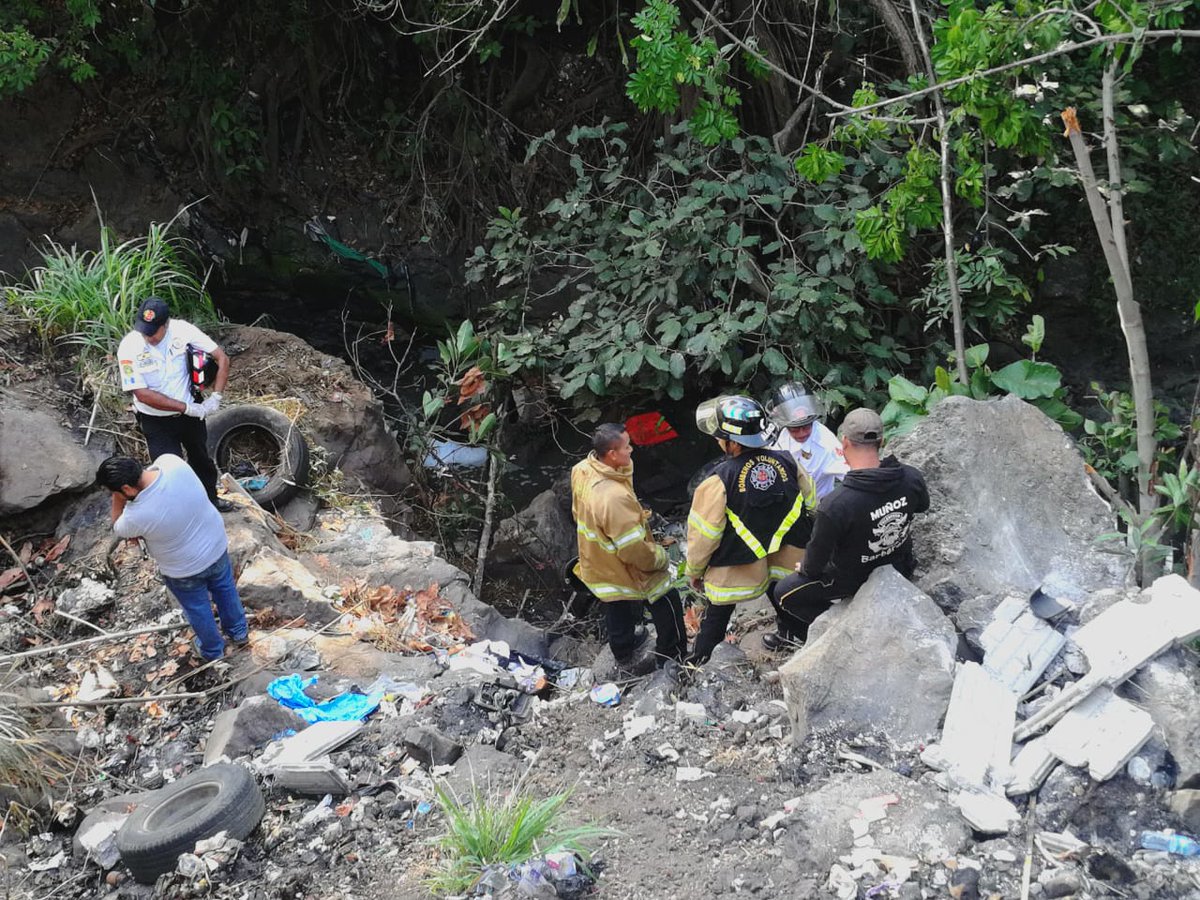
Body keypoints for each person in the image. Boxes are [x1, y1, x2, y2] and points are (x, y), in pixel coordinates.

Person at [770, 408, 929, 646]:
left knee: (783, 592)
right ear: (881, 441)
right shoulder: (911, 477)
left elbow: (813, 569)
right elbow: (921, 506)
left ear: (843, 442)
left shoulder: (836, 505)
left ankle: (840, 631)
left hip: (851, 578)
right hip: (898, 564)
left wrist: (804, 567)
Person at [685, 396, 815, 663]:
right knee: (785, 598)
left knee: (717, 614)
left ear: (732, 442)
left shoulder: (718, 481)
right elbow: (812, 504)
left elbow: (703, 537)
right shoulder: (788, 462)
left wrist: (695, 571)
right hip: (786, 558)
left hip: (736, 566)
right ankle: (807, 645)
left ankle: (698, 664)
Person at [98, 454, 249, 661]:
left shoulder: (135, 516)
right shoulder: (173, 464)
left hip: (184, 570)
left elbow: (118, 526)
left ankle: (213, 650)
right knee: (225, 589)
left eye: (117, 493)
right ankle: (239, 632)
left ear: (126, 489)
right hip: (215, 546)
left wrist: (118, 499)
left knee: (198, 608)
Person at [570, 423, 688, 674]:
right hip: (622, 559)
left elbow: (576, 510)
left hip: (596, 557)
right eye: (627, 447)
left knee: (615, 600)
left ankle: (623, 649)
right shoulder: (613, 497)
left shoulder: (582, 469)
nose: (632, 450)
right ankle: (673, 656)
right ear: (612, 454)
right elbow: (633, 550)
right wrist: (660, 558)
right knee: (666, 599)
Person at [117, 296, 233, 511]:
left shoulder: (183, 331)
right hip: (156, 420)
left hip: (191, 415)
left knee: (201, 459)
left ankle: (211, 501)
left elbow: (221, 358)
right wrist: (186, 408)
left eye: (153, 332)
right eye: (144, 331)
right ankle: (180, 513)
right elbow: (142, 394)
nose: (148, 337)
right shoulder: (129, 347)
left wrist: (216, 396)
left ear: (166, 324)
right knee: (169, 471)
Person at [766, 382, 849, 500]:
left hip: (818, 508)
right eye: (794, 429)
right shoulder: (774, 436)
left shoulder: (826, 442)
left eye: (807, 427)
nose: (802, 433)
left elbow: (849, 474)